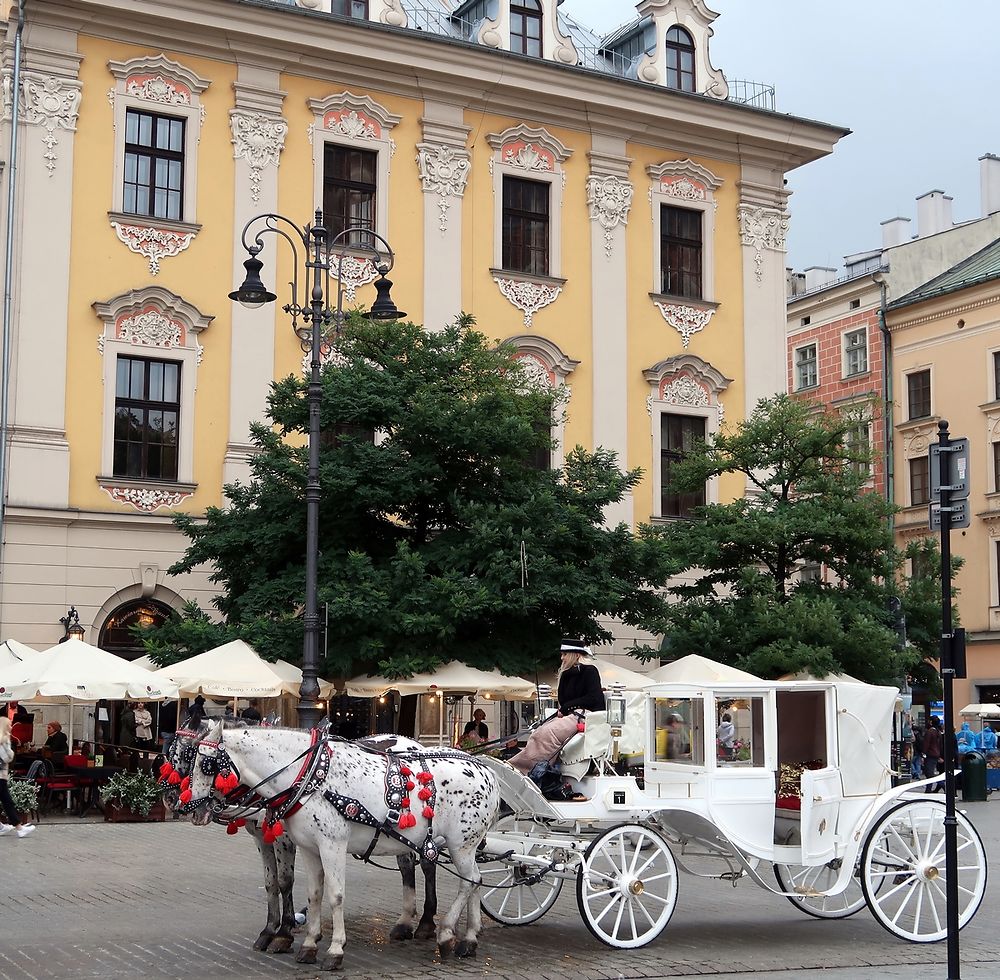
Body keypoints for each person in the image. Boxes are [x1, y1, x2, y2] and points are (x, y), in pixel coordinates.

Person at [508, 639, 605, 776]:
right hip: (570, 715)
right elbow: (563, 700)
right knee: (538, 732)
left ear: (575, 655)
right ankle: (523, 766)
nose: (562, 658)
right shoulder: (566, 674)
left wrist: (567, 707)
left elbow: (593, 698)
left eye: (564, 654)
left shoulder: (590, 671)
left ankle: (526, 768)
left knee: (547, 733)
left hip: (585, 716)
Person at [0, 717, 35, 838]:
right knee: (7, 802)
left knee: (7, 801)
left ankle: (13, 827)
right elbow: (7, 757)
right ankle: (19, 828)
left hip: (2, 776)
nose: (11, 727)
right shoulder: (3, 740)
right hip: (0, 776)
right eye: (9, 725)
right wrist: (11, 749)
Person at [923, 716, 943, 792]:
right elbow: (940, 745)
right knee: (930, 772)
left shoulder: (930, 732)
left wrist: (923, 754)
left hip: (930, 754)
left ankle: (942, 785)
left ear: (931, 722)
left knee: (929, 773)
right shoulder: (938, 732)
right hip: (936, 754)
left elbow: (926, 744)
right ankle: (928, 789)